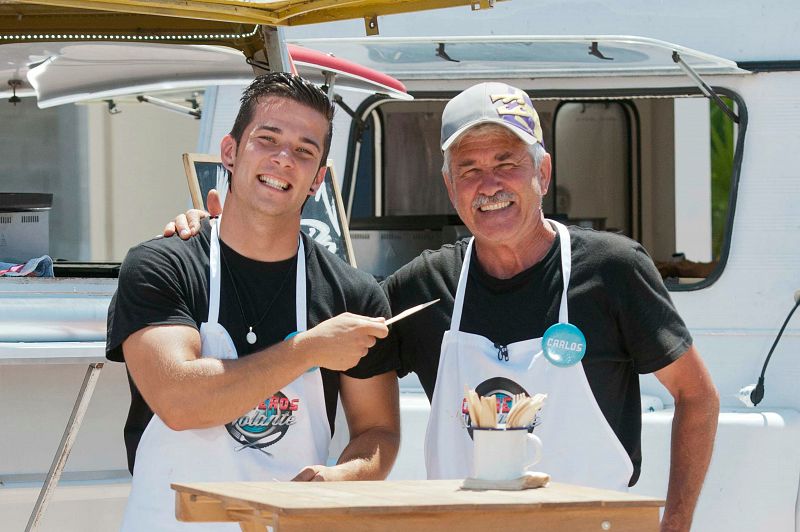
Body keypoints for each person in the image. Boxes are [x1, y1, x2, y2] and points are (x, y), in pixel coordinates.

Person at [167, 82, 720, 532]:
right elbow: (334, 340)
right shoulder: (425, 286)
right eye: (469, 169)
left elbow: (696, 396)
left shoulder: (612, 268)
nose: (490, 184)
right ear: (449, 185)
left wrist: (675, 525)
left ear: (542, 174)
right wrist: (214, 235)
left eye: (507, 162)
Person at [108, 73, 400, 531]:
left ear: (318, 179)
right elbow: (180, 402)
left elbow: (377, 432)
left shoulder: (353, 294)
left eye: (305, 151)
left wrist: (345, 476)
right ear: (230, 151)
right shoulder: (163, 266)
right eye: (268, 139)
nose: (284, 159)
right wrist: (309, 349)